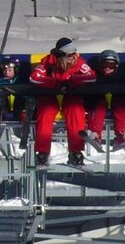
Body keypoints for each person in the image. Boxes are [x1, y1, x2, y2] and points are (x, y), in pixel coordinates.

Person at [28, 37, 96, 165]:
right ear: (60, 56)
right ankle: (42, 153)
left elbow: (91, 77)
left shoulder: (78, 63)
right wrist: (56, 84)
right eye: (70, 55)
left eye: (74, 53)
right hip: (50, 96)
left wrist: (70, 83)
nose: (74, 57)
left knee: (75, 110)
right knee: (45, 112)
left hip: (70, 96)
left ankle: (75, 152)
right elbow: (34, 78)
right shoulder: (48, 63)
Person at [86, 49, 125, 148]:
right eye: (104, 65)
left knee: (121, 107)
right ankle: (95, 134)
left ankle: (121, 134)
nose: (107, 68)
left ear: (116, 66)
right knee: (98, 106)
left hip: (117, 104)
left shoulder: (121, 78)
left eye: (111, 65)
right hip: (99, 104)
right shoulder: (94, 77)